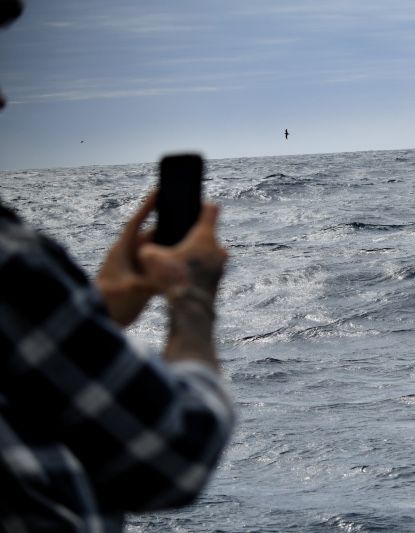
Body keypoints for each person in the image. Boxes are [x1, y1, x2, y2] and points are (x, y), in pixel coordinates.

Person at [1, 2, 234, 531]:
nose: (2, 97)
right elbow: (174, 456)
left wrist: (97, 312)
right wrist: (192, 297)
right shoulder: (9, 258)